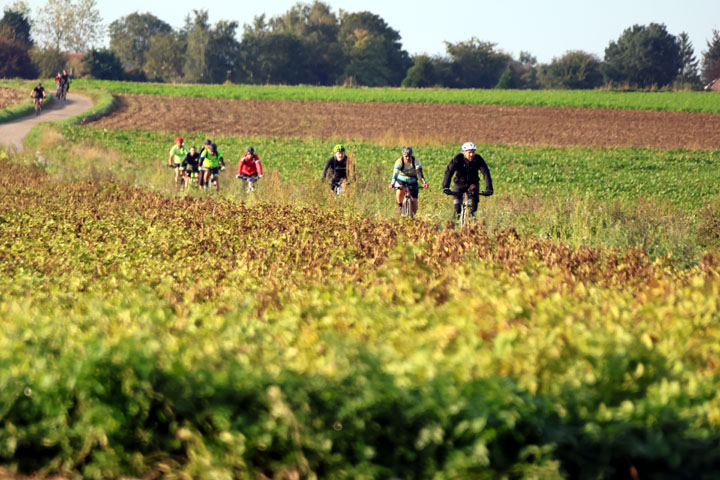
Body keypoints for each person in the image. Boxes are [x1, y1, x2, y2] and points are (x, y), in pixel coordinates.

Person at [441, 142, 493, 218]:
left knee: (474, 206)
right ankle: (456, 223)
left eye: (473, 152)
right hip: (459, 184)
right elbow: (449, 172)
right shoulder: (458, 158)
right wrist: (445, 187)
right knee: (457, 209)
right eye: (469, 152)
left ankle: (472, 220)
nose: (472, 154)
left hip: (473, 184)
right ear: (464, 153)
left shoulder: (478, 159)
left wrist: (489, 188)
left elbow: (485, 172)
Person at [388, 146, 428, 216]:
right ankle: (400, 206)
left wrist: (424, 183)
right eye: (406, 156)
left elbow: (419, 173)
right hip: (401, 179)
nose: (407, 158)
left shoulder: (416, 161)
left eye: (409, 156)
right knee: (400, 190)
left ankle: (413, 216)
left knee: (415, 202)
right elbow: (395, 174)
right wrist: (392, 184)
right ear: (403, 155)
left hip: (412, 180)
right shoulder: (399, 162)